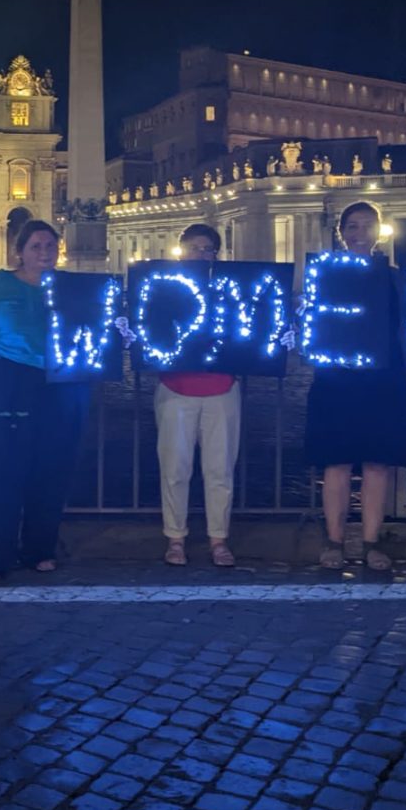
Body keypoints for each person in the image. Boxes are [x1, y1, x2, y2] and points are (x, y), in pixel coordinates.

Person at [0, 221, 108, 584]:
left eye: (50, 246)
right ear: (19, 251)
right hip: (9, 377)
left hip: (63, 381)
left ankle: (40, 547)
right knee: (1, 465)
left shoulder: (72, 287)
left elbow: (99, 326)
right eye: (36, 246)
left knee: (52, 465)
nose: (44, 252)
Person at [303, 201, 406, 571]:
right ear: (341, 234)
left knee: (378, 464)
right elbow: (308, 319)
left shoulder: (397, 278)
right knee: (338, 462)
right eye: (352, 227)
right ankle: (335, 540)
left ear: (379, 231)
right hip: (337, 378)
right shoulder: (324, 276)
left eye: (367, 226)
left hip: (383, 379)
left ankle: (371, 542)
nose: (359, 234)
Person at [155, 225, 240, 568]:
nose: (200, 255)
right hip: (177, 387)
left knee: (220, 470)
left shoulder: (227, 290)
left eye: (207, 249)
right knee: (175, 469)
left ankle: (218, 538)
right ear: (180, 251)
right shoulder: (165, 290)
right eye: (194, 248)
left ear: (216, 255)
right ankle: (175, 537)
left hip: (221, 388)